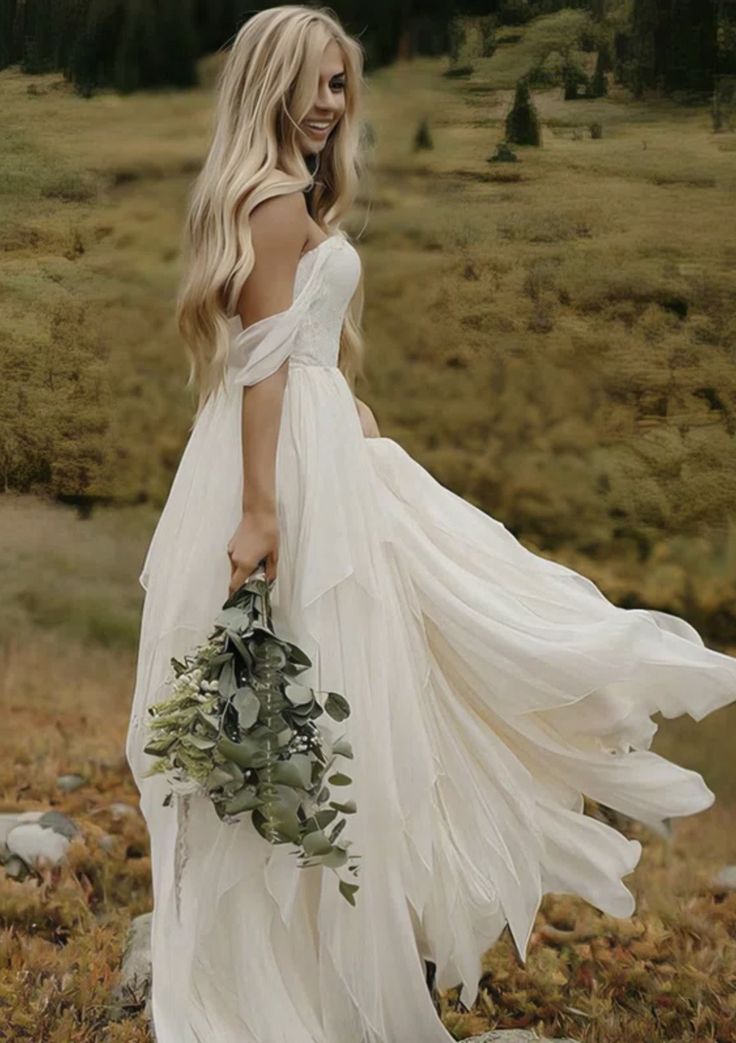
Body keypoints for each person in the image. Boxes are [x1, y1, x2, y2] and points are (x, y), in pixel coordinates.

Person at [124, 6, 736, 1042]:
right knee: (313, 705)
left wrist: (344, 410)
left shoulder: (270, 200)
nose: (333, 104)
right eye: (318, 83)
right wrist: (265, 510)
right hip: (283, 477)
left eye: (340, 85)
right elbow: (264, 368)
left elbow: (279, 355)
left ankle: (310, 969)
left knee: (354, 688)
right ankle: (285, 986)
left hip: (313, 452)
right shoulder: (272, 203)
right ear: (271, 83)